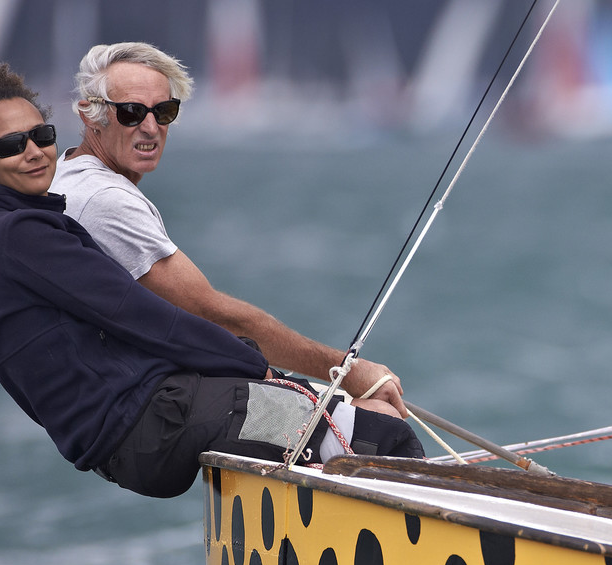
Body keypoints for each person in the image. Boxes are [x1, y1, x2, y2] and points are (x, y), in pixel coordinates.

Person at [0, 63, 422, 499]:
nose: (33, 152)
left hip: (141, 425)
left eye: (39, 135)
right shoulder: (20, 235)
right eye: (9, 145)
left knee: (340, 420)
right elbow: (146, 318)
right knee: (382, 432)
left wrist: (280, 383)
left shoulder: (20, 227)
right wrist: (262, 370)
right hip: (154, 422)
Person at [50, 41, 408, 419]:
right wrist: (345, 371)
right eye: (132, 112)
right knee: (380, 423)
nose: (151, 127)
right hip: (141, 413)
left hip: (121, 398)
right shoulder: (104, 199)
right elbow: (211, 313)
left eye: (164, 111)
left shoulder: (67, 174)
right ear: (90, 115)